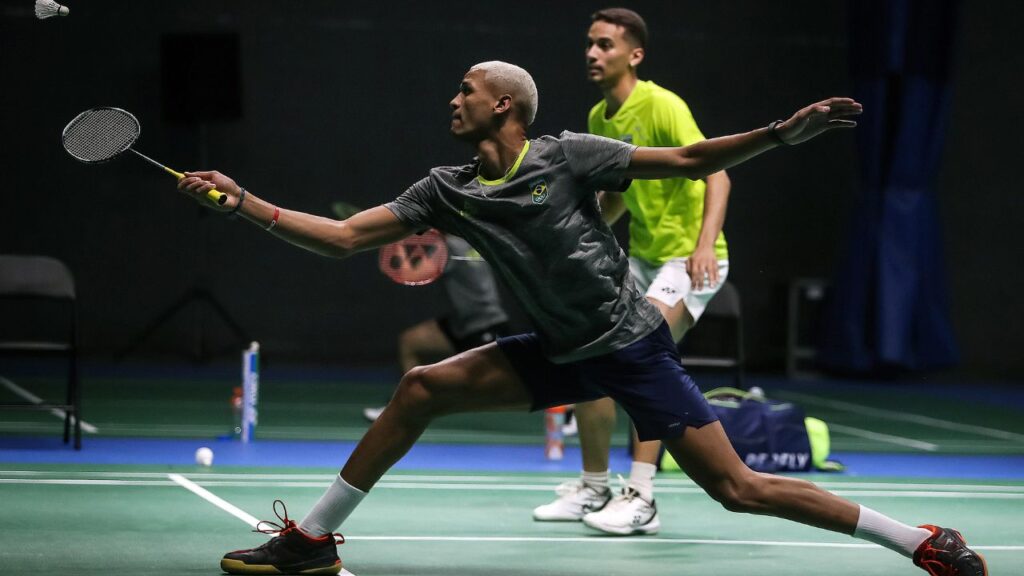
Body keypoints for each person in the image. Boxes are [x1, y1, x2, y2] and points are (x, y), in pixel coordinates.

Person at [177, 62, 984, 576]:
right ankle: (311, 542)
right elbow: (345, 238)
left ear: (505, 105)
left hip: (631, 346)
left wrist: (779, 135)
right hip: (557, 348)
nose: (452, 98)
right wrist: (245, 203)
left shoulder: (570, 154)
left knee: (737, 488)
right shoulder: (446, 188)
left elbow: (693, 162)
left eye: (465, 90)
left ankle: (920, 543)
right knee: (421, 388)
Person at [533, 7, 732, 536]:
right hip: (643, 255)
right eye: (590, 44)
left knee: (645, 359)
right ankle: (593, 486)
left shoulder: (662, 104)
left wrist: (705, 245)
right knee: (592, 353)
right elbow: (617, 200)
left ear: (634, 55)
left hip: (690, 256)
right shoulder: (600, 119)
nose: (592, 54)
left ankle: (641, 495)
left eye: (604, 45)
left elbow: (718, 175)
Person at [363, 233, 511, 422]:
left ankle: (560, 411)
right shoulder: (472, 239)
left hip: (484, 327)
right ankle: (407, 405)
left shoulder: (449, 246)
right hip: (462, 324)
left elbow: (408, 274)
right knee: (411, 342)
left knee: (504, 389)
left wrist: (394, 242)